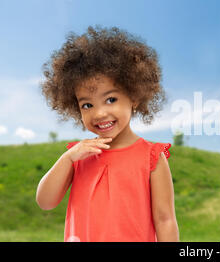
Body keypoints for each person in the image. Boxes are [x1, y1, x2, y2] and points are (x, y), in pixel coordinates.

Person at [35, 25, 179, 242]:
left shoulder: (152, 157)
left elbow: (165, 218)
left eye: (111, 100)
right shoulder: (78, 156)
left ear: (134, 98)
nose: (100, 113)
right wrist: (68, 158)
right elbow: (45, 201)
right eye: (87, 105)